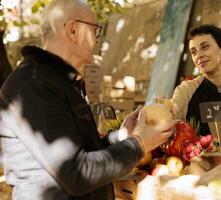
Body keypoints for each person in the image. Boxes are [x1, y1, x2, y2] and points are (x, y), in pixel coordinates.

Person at [0, 0, 176, 199]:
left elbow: (84, 151)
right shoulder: (33, 85)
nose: (98, 38)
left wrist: (121, 136)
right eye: (95, 29)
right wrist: (139, 143)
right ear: (73, 30)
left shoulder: (59, 80)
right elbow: (78, 173)